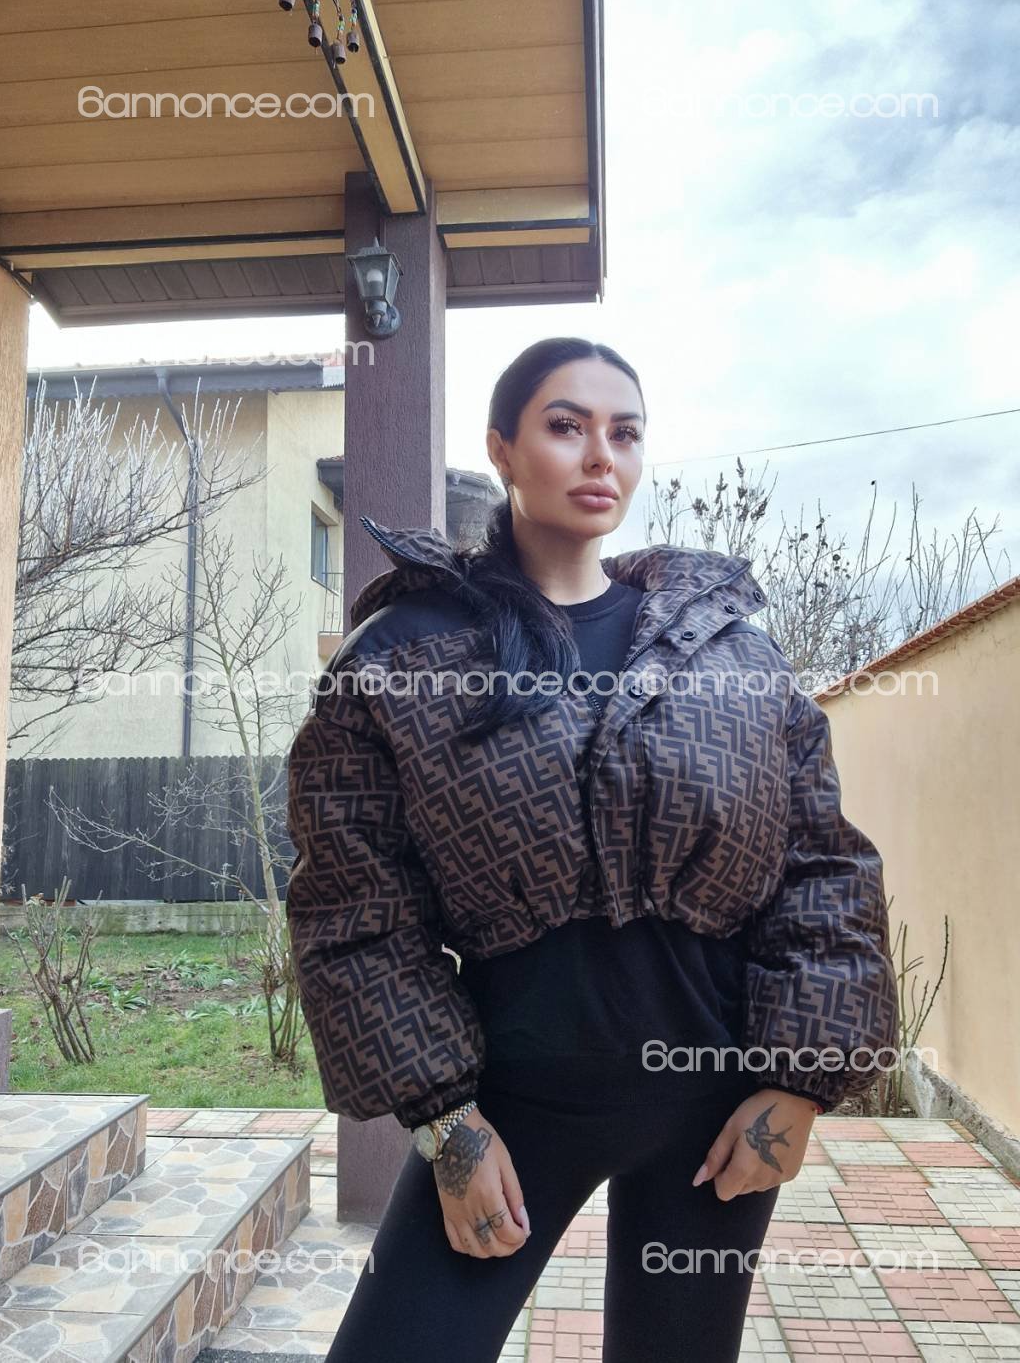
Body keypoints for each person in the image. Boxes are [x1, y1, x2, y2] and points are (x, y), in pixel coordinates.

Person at [285, 337, 899, 1362]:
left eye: (625, 432)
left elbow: (821, 866)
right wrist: (446, 1123)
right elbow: (353, 902)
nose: (600, 455)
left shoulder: (727, 650)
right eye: (566, 426)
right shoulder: (404, 655)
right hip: (513, 1101)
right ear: (502, 449)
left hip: (716, 1107)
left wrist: (798, 1083)